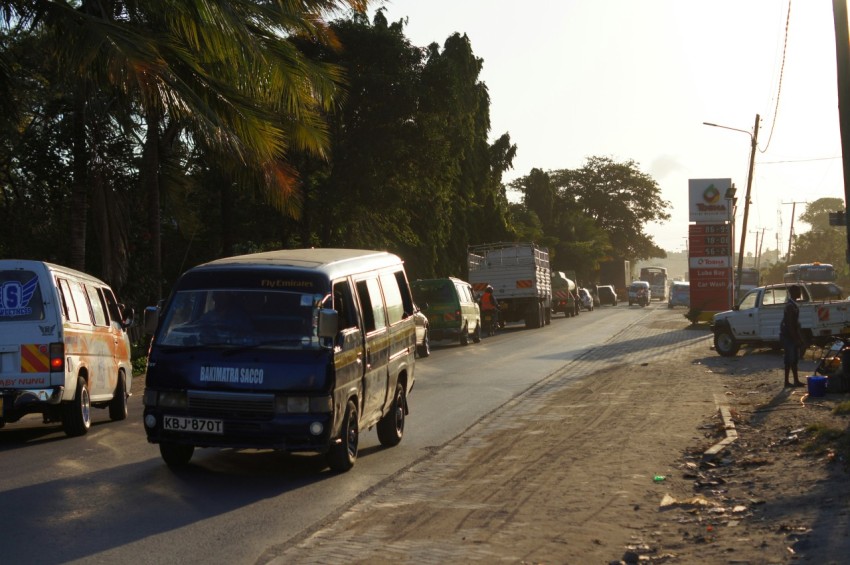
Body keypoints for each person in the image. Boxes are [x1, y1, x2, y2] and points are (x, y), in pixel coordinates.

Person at [780, 284, 805, 387]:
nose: (800, 293)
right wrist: (796, 339)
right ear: (794, 293)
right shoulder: (790, 306)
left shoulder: (792, 304)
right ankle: (787, 381)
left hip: (790, 336)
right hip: (788, 337)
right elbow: (790, 325)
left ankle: (795, 380)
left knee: (793, 359)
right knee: (789, 359)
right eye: (798, 291)